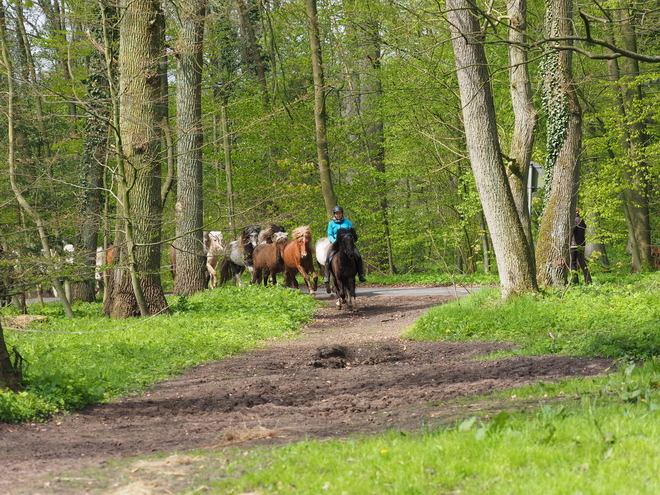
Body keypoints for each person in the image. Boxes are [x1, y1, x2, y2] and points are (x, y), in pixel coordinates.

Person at [323, 206, 366, 285]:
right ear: (334, 214)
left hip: (347, 243)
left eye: (339, 213)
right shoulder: (331, 224)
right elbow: (330, 234)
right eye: (336, 214)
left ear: (342, 213)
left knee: (358, 255)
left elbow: (352, 232)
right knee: (328, 256)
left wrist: (350, 239)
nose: (338, 215)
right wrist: (334, 241)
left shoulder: (347, 222)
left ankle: (360, 274)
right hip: (336, 243)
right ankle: (327, 276)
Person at [570, 208, 592, 284]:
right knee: (582, 262)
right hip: (582, 244)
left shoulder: (574, 220)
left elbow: (572, 230)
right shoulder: (581, 220)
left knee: (573, 263)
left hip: (574, 244)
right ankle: (588, 280)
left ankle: (575, 282)